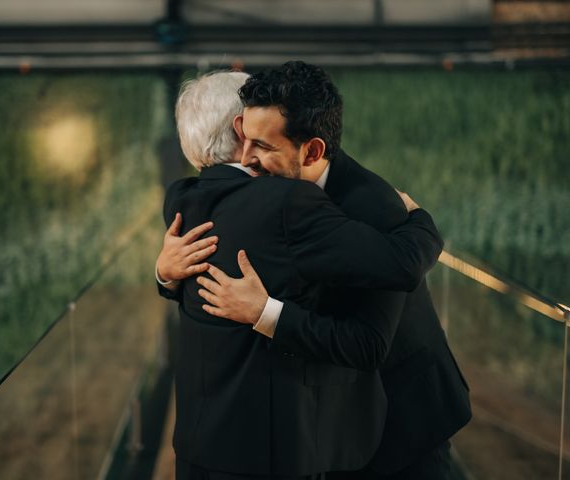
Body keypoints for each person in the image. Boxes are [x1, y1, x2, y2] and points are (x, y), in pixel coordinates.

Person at [184, 62, 472, 479]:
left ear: (313, 151)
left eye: (262, 146)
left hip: (404, 416)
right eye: (244, 140)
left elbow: (367, 346)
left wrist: (263, 313)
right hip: (342, 415)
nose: (246, 159)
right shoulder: (272, 194)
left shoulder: (375, 209)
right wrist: (168, 272)